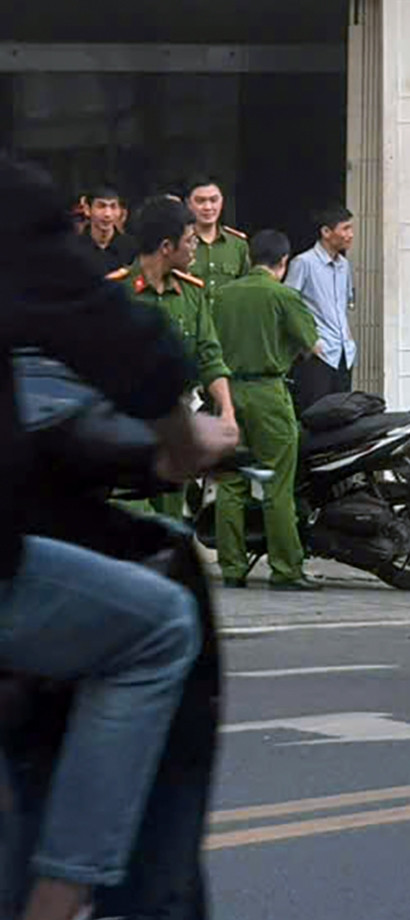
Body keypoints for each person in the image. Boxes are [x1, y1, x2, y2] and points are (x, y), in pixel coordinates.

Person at [0, 154, 237, 920]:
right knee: (162, 626)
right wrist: (179, 439)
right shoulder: (64, 255)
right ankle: (61, 896)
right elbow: (127, 348)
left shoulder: (196, 288)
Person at [210, 228, 324, 592]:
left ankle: (231, 567)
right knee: (277, 484)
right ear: (284, 262)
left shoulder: (221, 296)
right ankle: (286, 569)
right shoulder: (283, 295)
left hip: (226, 394)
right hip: (267, 394)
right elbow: (313, 344)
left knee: (230, 484)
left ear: (249, 258)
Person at [109, 197, 235, 521]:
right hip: (127, 428)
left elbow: (210, 356)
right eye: (190, 240)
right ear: (167, 246)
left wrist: (227, 412)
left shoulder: (192, 294)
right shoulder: (116, 294)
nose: (195, 247)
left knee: (171, 524)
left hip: (175, 426)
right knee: (131, 521)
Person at [285, 205, 357, 410]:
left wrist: (349, 338)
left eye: (351, 229)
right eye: (345, 229)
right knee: (316, 415)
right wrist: (308, 341)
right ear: (326, 232)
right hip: (318, 354)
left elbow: (343, 305)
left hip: (344, 353)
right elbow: (287, 305)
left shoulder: (344, 265)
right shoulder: (303, 263)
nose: (350, 235)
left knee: (343, 416)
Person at [183, 176, 250, 294]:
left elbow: (246, 289)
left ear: (222, 201)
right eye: (200, 201)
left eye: (213, 200)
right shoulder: (180, 244)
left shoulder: (238, 245)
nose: (208, 207)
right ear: (188, 203)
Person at [81, 188, 135, 275]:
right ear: (87, 210)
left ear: (121, 212)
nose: (107, 214)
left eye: (113, 207)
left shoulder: (132, 248)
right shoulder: (74, 248)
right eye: (101, 206)